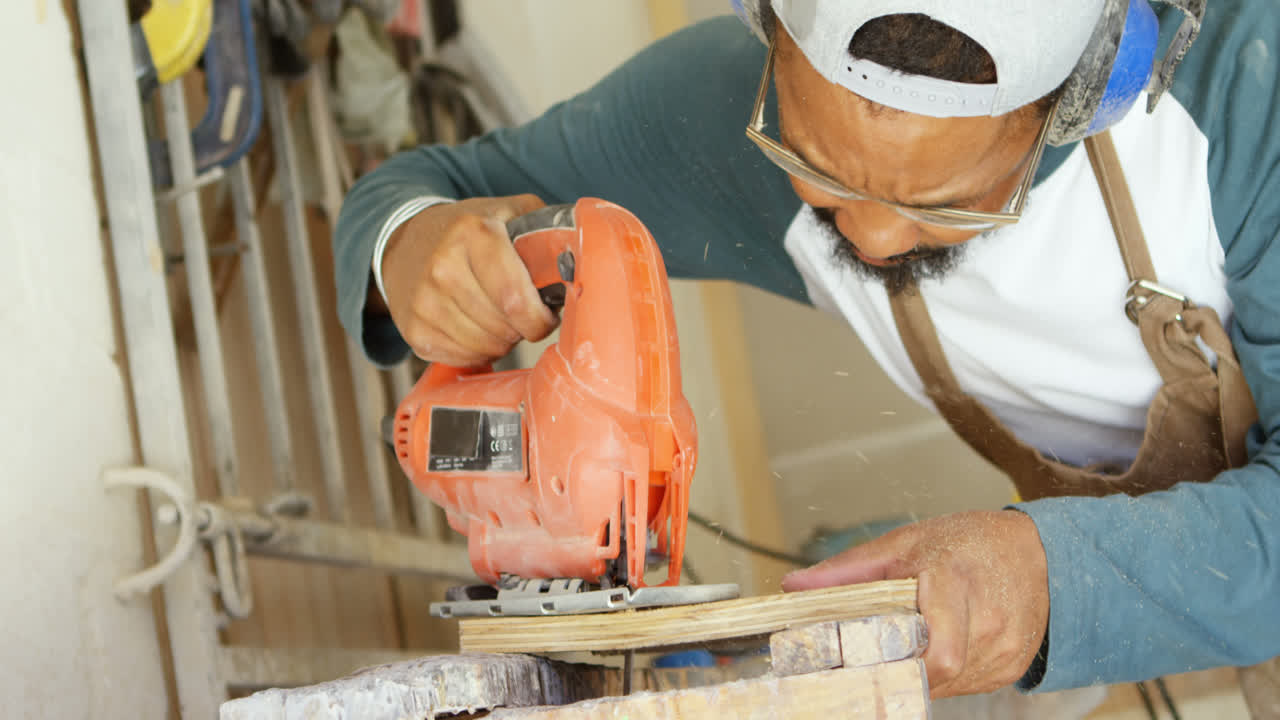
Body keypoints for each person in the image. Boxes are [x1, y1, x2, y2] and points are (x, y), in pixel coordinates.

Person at [334, 0, 1280, 704]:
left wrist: (1051, 583)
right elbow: (427, 188)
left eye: (940, 203)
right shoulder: (710, 112)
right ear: (770, 34)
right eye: (817, 174)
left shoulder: (1248, 104)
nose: (868, 238)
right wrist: (411, 245)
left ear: (1087, 95)